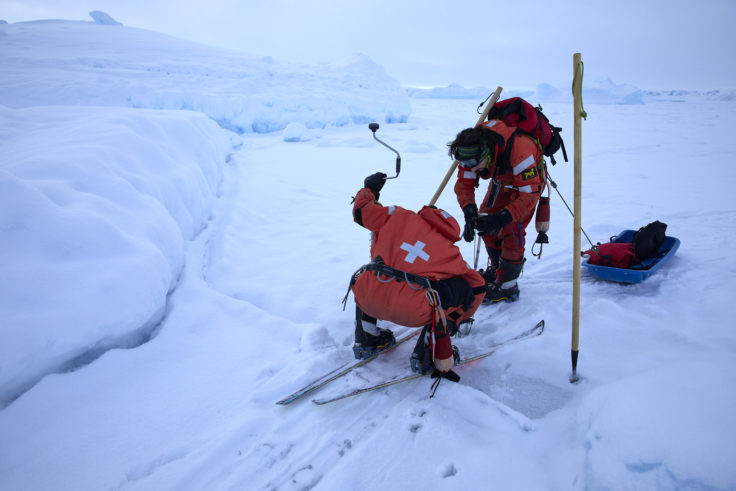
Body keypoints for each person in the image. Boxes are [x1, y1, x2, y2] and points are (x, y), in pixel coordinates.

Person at [345, 172, 486, 376]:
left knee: (372, 275)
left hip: (367, 295)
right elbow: (476, 285)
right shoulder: (448, 249)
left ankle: (367, 338)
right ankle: (429, 352)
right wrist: (462, 316)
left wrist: (370, 189)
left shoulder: (396, 217)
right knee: (458, 289)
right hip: (412, 309)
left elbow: (361, 212)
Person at [449, 119, 545, 303]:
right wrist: (469, 211)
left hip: (528, 183)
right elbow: (464, 183)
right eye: (465, 164)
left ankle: (508, 286)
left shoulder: (520, 151)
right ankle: (497, 270)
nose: (470, 168)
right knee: (485, 220)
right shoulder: (469, 152)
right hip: (502, 177)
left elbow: (529, 195)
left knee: (510, 225)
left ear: (487, 154)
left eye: (474, 164)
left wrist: (502, 218)